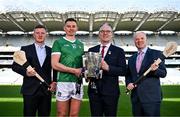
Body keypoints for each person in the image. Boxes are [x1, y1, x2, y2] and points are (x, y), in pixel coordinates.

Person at [12, 24, 57, 116]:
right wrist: (26, 73)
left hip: (46, 89)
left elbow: (54, 68)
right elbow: (15, 66)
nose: (40, 35)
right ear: (33, 35)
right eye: (37, 33)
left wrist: (54, 82)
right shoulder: (25, 49)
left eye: (42, 33)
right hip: (30, 90)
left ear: (46, 35)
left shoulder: (51, 50)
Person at [87, 23, 126, 116]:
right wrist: (87, 74)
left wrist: (108, 68)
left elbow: (123, 70)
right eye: (102, 31)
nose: (105, 33)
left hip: (111, 93)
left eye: (108, 31)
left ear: (112, 34)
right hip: (94, 92)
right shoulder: (91, 50)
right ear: (99, 34)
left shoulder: (119, 51)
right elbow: (90, 71)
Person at [125, 32, 167, 116]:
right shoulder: (131, 59)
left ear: (146, 40)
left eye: (142, 38)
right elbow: (129, 75)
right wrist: (128, 83)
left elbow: (163, 73)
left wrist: (156, 70)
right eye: (137, 39)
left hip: (151, 99)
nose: (139, 41)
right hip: (136, 98)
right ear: (134, 42)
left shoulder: (157, 54)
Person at [51, 18, 84, 117]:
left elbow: (83, 64)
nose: (71, 28)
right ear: (64, 28)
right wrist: (74, 71)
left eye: (73, 26)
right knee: (61, 113)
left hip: (78, 82)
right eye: (68, 26)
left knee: (74, 114)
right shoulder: (58, 42)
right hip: (63, 81)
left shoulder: (81, 44)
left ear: (77, 28)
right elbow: (54, 64)